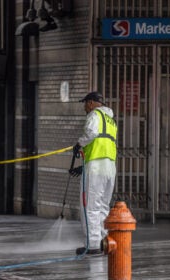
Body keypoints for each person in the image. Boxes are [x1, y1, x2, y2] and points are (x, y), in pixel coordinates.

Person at [69, 91, 117, 255]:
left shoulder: (94, 115)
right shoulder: (111, 120)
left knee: (89, 206)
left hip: (96, 167)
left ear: (91, 103)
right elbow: (101, 143)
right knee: (103, 206)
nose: (84, 107)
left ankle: (92, 245)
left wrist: (79, 144)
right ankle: (104, 241)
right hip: (109, 167)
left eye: (85, 103)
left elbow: (91, 133)